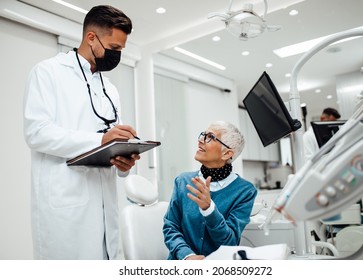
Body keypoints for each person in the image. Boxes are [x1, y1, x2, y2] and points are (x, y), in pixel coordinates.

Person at [23, 5, 139, 259]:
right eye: (114, 48)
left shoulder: (109, 89)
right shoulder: (48, 72)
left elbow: (111, 140)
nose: (116, 55)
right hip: (66, 211)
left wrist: (124, 160)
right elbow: (36, 132)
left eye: (121, 49)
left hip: (106, 208)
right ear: (91, 38)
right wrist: (100, 140)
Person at [163, 121, 257, 260]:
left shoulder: (245, 191)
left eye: (210, 137)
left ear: (227, 153)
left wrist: (209, 209)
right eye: (203, 135)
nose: (201, 140)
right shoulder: (182, 181)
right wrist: (186, 256)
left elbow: (229, 243)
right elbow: (171, 227)